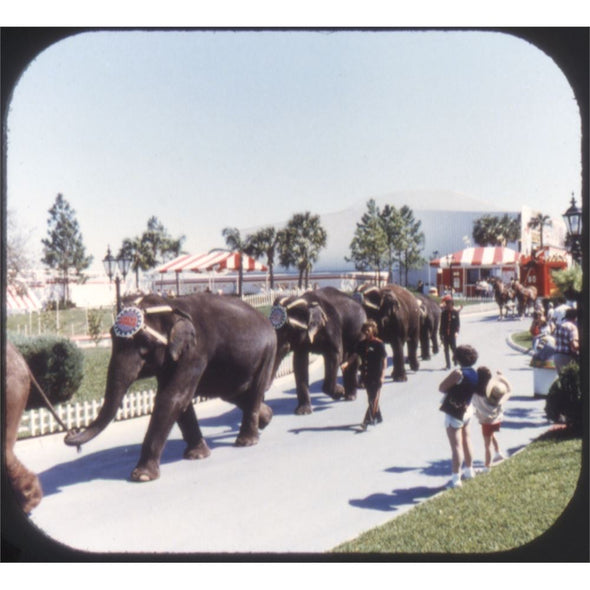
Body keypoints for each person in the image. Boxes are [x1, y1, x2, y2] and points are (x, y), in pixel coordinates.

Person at [438, 344, 479, 488]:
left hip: (455, 411)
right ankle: (469, 470)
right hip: (468, 409)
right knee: (467, 440)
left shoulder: (458, 373)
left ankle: (456, 479)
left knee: (456, 446)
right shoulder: (475, 373)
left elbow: (442, 387)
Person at [341, 320, 387, 430]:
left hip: (376, 376)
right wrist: (346, 363)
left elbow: (384, 361)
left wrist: (382, 376)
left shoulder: (379, 344)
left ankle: (366, 422)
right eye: (365, 330)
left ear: (373, 330)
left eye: (368, 329)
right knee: (371, 398)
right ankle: (378, 417)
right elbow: (355, 355)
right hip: (366, 376)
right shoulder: (362, 344)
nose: (366, 332)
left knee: (373, 399)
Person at [473, 367, 511, 472]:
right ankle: (498, 452)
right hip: (496, 419)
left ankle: (487, 466)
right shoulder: (493, 393)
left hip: (486, 421)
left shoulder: (476, 393)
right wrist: (501, 376)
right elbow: (505, 388)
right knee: (490, 435)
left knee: (487, 445)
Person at [553, 307, 579, 374]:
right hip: (567, 356)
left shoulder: (559, 326)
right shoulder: (572, 327)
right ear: (575, 317)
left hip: (557, 356)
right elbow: (574, 345)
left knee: (562, 380)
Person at [439, 295, 462, 370]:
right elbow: (441, 324)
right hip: (445, 334)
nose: (448, 305)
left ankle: (455, 360)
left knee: (453, 348)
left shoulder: (455, 313)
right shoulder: (444, 313)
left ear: (452, 304)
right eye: (447, 303)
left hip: (452, 334)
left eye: (449, 303)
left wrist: (456, 332)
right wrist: (441, 334)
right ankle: (448, 365)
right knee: (446, 350)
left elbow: (457, 324)